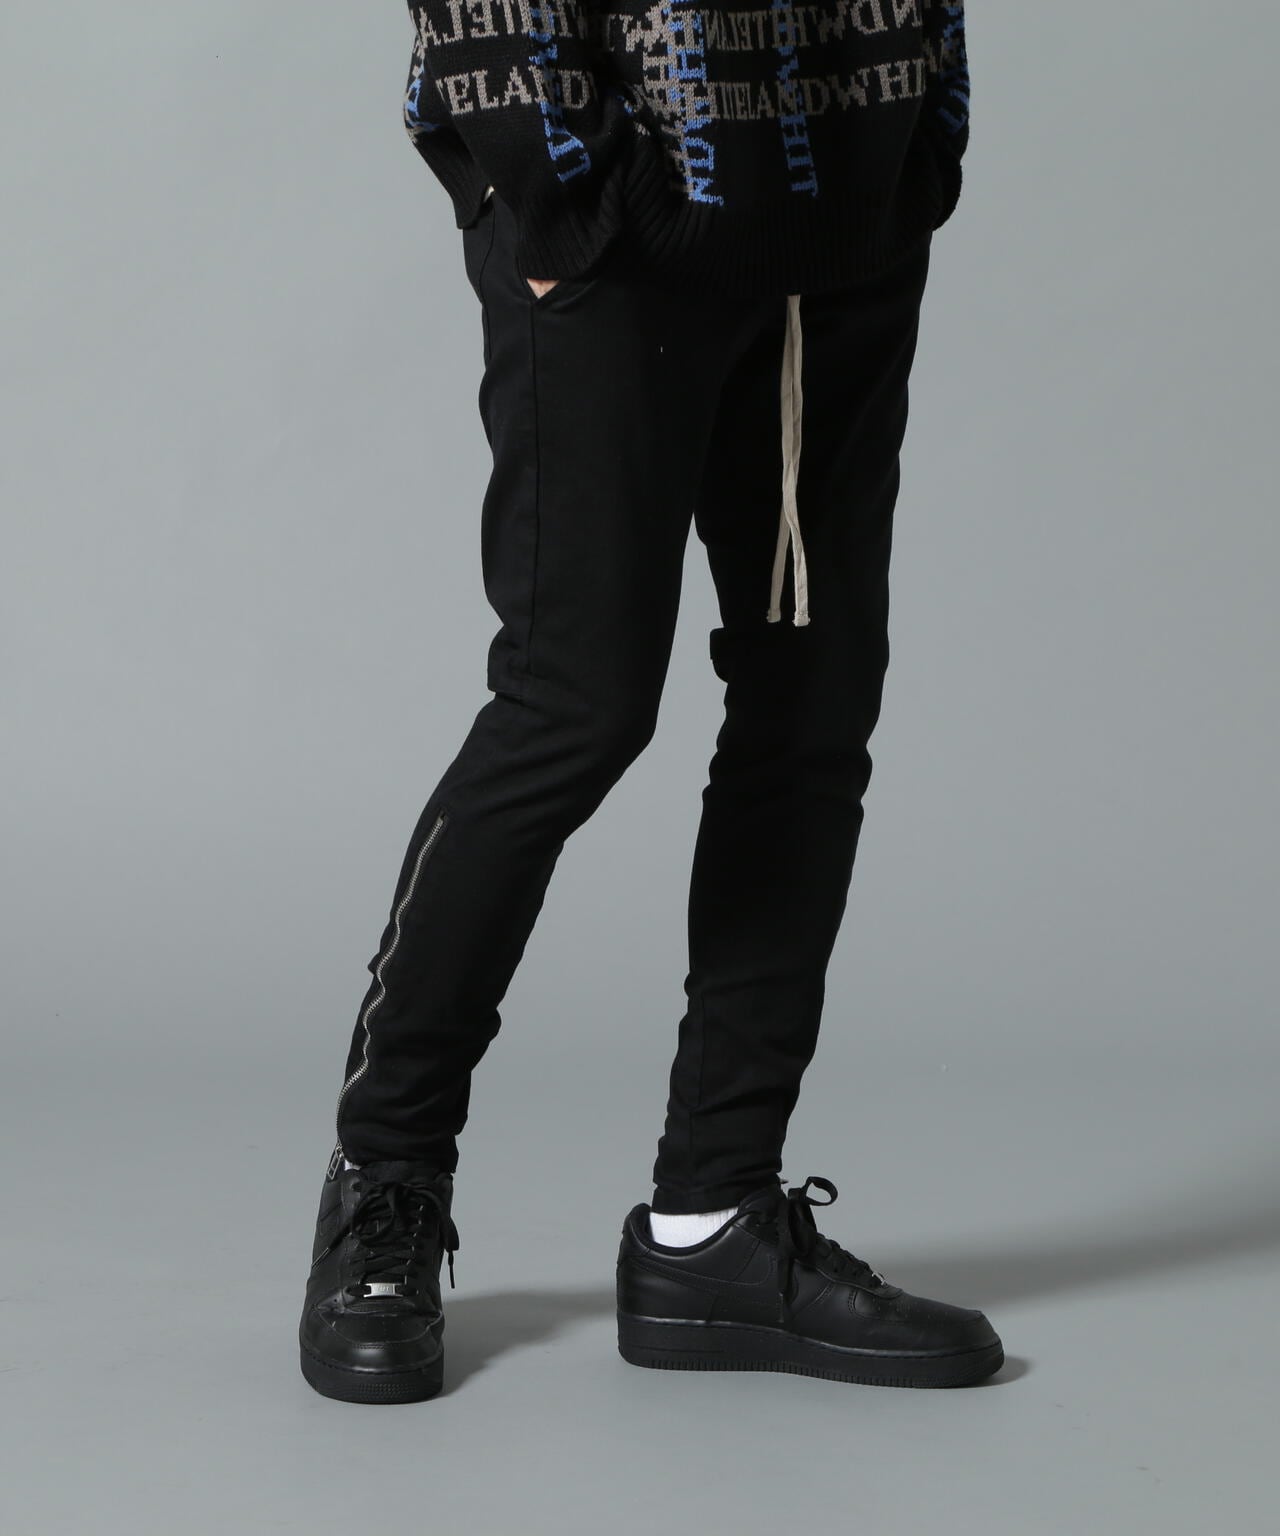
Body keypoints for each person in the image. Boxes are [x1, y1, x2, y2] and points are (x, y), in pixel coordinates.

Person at [299, 0, 1003, 1404]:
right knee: (575, 703)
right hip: (612, 240)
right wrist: (565, 184)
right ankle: (385, 1178)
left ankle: (714, 1224)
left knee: (813, 708)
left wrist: (918, 141)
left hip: (843, 228)